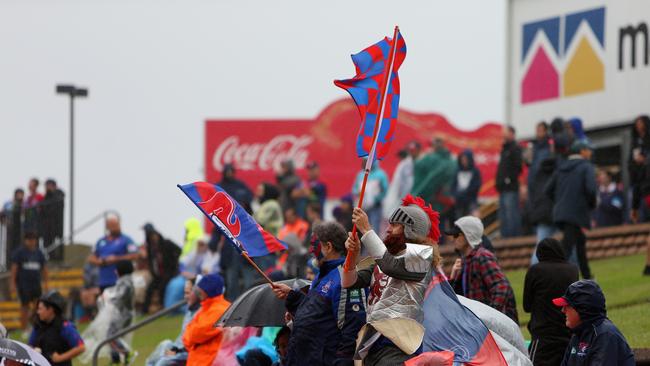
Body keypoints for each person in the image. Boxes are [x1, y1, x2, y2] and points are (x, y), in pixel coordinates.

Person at [342, 195, 442, 365]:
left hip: (399, 343)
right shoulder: (383, 258)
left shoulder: (422, 255)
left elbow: (391, 266)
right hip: (373, 340)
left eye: (395, 225)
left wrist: (367, 230)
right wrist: (353, 254)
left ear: (410, 229)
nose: (388, 229)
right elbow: (349, 282)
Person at [272, 221, 366, 366]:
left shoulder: (345, 278)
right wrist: (292, 296)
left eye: (314, 244)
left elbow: (352, 328)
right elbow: (318, 314)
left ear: (328, 247)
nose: (310, 250)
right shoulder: (320, 276)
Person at [448, 216, 519, 323]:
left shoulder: (482, 256)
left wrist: (490, 316)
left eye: (456, 235)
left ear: (468, 235)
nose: (453, 239)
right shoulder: (466, 260)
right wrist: (453, 278)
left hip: (493, 329)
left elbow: (502, 286)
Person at [546, 141, 597, 279]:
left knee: (580, 243)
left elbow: (548, 190)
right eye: (588, 150)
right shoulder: (586, 167)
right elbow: (591, 190)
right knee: (566, 247)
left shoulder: (561, 167)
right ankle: (553, 276)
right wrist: (591, 205)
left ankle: (587, 276)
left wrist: (560, 202)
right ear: (582, 151)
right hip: (577, 212)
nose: (591, 153)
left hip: (562, 212)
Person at [523, 238, 579, 366]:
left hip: (543, 337)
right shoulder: (573, 270)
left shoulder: (535, 270)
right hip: (567, 334)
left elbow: (527, 306)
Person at [554, 280, 634, 365]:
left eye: (567, 306)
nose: (563, 310)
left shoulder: (605, 335)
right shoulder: (578, 335)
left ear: (582, 309)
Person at [145, 278, 200, 366]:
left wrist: (175, 352)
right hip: (179, 350)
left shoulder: (200, 313)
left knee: (164, 360)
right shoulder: (189, 311)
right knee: (164, 345)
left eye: (188, 293)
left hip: (189, 352)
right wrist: (174, 349)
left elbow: (192, 343)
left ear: (198, 293)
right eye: (184, 293)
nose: (185, 297)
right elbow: (181, 337)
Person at [183, 274, 231, 365]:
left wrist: (191, 337)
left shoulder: (220, 310)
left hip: (209, 361)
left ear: (206, 291)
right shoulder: (206, 307)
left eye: (200, 289)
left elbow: (195, 334)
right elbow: (186, 337)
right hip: (200, 360)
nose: (198, 292)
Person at [29, 291, 85, 366]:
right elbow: (30, 346)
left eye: (40, 309)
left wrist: (60, 358)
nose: (38, 312)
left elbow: (81, 347)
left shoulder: (65, 327)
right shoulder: (38, 326)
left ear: (51, 309)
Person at [87, 214, 140, 291]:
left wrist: (116, 259)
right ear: (107, 227)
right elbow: (91, 258)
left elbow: (135, 255)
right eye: (113, 225)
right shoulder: (101, 241)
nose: (117, 227)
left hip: (120, 281)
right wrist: (102, 261)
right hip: (104, 281)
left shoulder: (126, 240)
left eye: (117, 225)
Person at [10, 231, 48, 332]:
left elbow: (44, 269)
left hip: (36, 284)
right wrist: (12, 284)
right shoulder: (19, 252)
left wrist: (46, 283)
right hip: (24, 285)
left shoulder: (39, 253)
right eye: (29, 240)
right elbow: (14, 269)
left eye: (33, 240)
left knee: (38, 305)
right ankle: (23, 329)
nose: (32, 242)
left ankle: (33, 324)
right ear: (25, 240)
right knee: (25, 306)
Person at [141, 223, 182, 314]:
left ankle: (164, 309)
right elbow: (151, 262)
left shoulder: (166, 243)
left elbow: (179, 250)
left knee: (162, 287)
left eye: (153, 235)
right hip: (158, 275)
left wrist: (174, 261)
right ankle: (144, 310)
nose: (153, 238)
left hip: (170, 272)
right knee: (149, 289)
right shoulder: (151, 248)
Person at [528, 156, 557, 264]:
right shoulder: (557, 174)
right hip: (556, 213)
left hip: (541, 215)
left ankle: (534, 270)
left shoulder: (537, 177)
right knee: (569, 245)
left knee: (540, 245)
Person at [496, 125, 523, 238]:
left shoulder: (515, 148)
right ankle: (505, 238)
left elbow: (518, 167)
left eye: (506, 132)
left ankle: (513, 239)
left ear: (512, 133)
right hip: (503, 189)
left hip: (511, 188)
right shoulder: (504, 149)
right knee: (503, 216)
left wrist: (509, 180)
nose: (503, 133)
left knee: (511, 215)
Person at [353, 159, 389, 234]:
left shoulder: (381, 174)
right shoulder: (360, 174)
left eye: (367, 161)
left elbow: (385, 190)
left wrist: (376, 199)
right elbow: (354, 189)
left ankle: (373, 245)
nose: (365, 163)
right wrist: (358, 193)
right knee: (361, 227)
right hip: (363, 207)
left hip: (376, 206)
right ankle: (363, 245)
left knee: (374, 227)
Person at [382, 148, 414, 219]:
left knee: (396, 212)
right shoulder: (403, 163)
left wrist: (401, 193)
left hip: (401, 193)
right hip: (398, 192)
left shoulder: (406, 164)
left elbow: (405, 181)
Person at [451, 149, 482, 220]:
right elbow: (453, 185)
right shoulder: (457, 171)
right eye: (462, 160)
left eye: (465, 159)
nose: (464, 161)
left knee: (475, 217)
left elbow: (476, 185)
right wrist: (455, 194)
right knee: (459, 220)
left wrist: (466, 192)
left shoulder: (475, 171)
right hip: (459, 200)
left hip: (471, 199)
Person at [41, 179, 65, 260]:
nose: (47, 188)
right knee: (47, 242)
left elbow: (56, 205)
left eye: (49, 186)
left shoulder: (59, 194)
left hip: (56, 223)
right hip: (47, 224)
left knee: (57, 241)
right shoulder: (46, 196)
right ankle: (50, 257)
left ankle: (58, 258)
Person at [1, 188, 25, 257]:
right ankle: (9, 264)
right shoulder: (8, 203)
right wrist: (5, 222)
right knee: (9, 246)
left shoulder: (25, 204)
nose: (19, 196)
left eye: (21, 194)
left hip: (21, 228)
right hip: (10, 228)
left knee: (20, 245)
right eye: (18, 194)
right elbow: (2, 214)